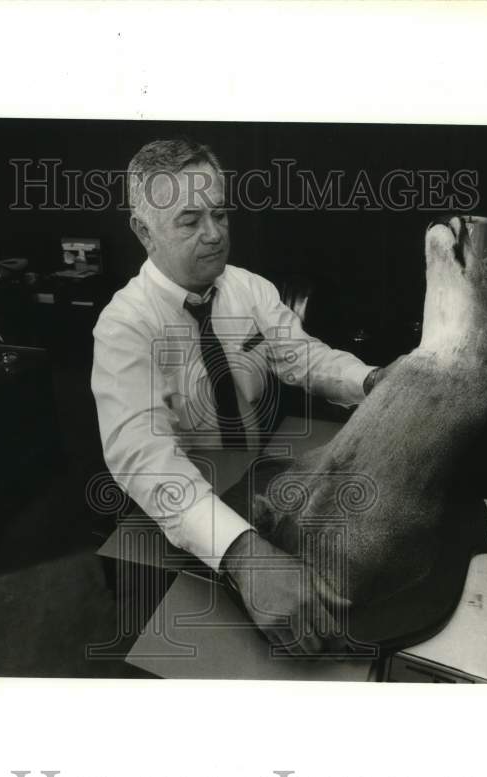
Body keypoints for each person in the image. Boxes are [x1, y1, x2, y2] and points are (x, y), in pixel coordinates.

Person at [91, 138, 390, 656]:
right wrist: (243, 554)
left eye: (221, 214)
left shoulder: (249, 289)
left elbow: (303, 357)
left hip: (254, 483)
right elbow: (143, 458)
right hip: (183, 514)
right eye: (189, 220)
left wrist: (371, 382)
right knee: (200, 651)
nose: (214, 235)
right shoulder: (124, 326)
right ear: (144, 231)